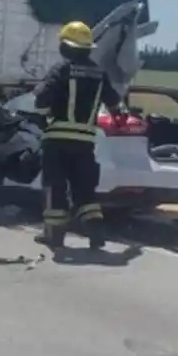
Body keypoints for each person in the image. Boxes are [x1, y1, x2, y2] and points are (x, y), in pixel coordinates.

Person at [32, 20, 122, 250]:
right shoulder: (99, 73)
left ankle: (55, 235)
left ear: (66, 47)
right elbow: (114, 102)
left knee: (55, 186)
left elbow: (41, 99)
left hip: (57, 141)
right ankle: (96, 231)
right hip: (85, 143)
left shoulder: (62, 69)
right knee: (84, 188)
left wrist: (41, 118)